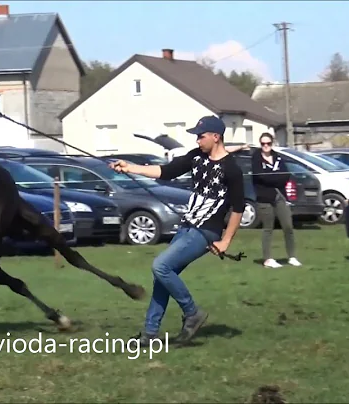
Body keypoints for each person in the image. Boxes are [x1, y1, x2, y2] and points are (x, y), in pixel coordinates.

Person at [108, 115, 245, 346]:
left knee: (160, 266)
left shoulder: (231, 169)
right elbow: (166, 171)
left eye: (200, 136)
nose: (197, 140)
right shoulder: (196, 157)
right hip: (187, 227)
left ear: (216, 137)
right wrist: (130, 167)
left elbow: (238, 208)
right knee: (162, 278)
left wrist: (225, 242)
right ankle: (149, 335)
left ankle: (192, 313)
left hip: (206, 231)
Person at [250, 133, 301, 268]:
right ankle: (268, 259)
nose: (266, 146)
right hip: (264, 198)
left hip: (280, 196)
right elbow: (261, 177)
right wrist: (275, 178)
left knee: (288, 226)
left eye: (268, 143)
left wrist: (274, 179)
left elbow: (286, 175)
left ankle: (292, 256)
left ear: (272, 143)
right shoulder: (256, 158)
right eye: (263, 144)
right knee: (268, 228)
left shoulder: (278, 157)